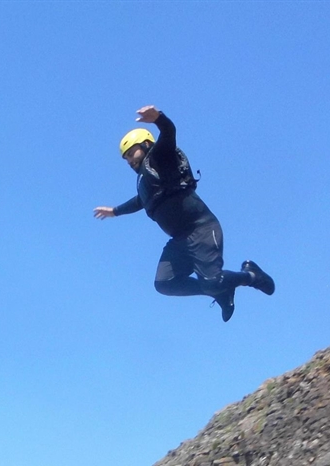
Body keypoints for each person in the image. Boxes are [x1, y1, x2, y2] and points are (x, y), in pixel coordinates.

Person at [94, 105, 274, 322]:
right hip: (180, 241)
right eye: (126, 158)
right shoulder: (145, 180)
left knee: (212, 281)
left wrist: (159, 119)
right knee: (164, 284)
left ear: (146, 145)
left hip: (202, 229)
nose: (130, 160)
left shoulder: (160, 157)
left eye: (132, 153)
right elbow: (140, 201)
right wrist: (115, 211)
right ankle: (220, 292)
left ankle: (252, 276)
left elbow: (169, 133)